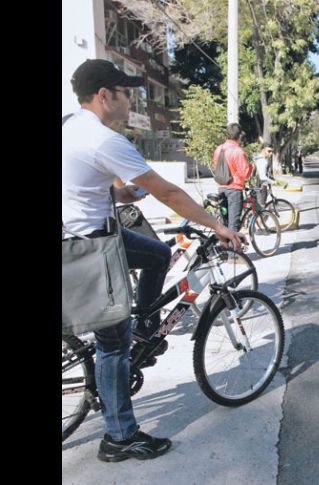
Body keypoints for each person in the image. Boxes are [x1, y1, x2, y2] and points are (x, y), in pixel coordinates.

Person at [62, 59, 246, 463]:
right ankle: (120, 437)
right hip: (87, 246)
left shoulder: (69, 125)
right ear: (105, 95)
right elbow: (169, 193)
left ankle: (145, 323)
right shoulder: (103, 138)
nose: (131, 100)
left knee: (159, 253)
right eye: (126, 93)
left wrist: (118, 195)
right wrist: (219, 226)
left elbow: (78, 183)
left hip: (92, 231)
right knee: (113, 343)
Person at [213, 123, 253, 232]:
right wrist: (250, 167)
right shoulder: (237, 151)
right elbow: (245, 173)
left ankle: (223, 246)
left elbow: (215, 166)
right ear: (239, 136)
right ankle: (233, 248)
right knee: (233, 224)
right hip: (234, 190)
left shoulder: (218, 149)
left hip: (221, 187)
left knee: (223, 221)